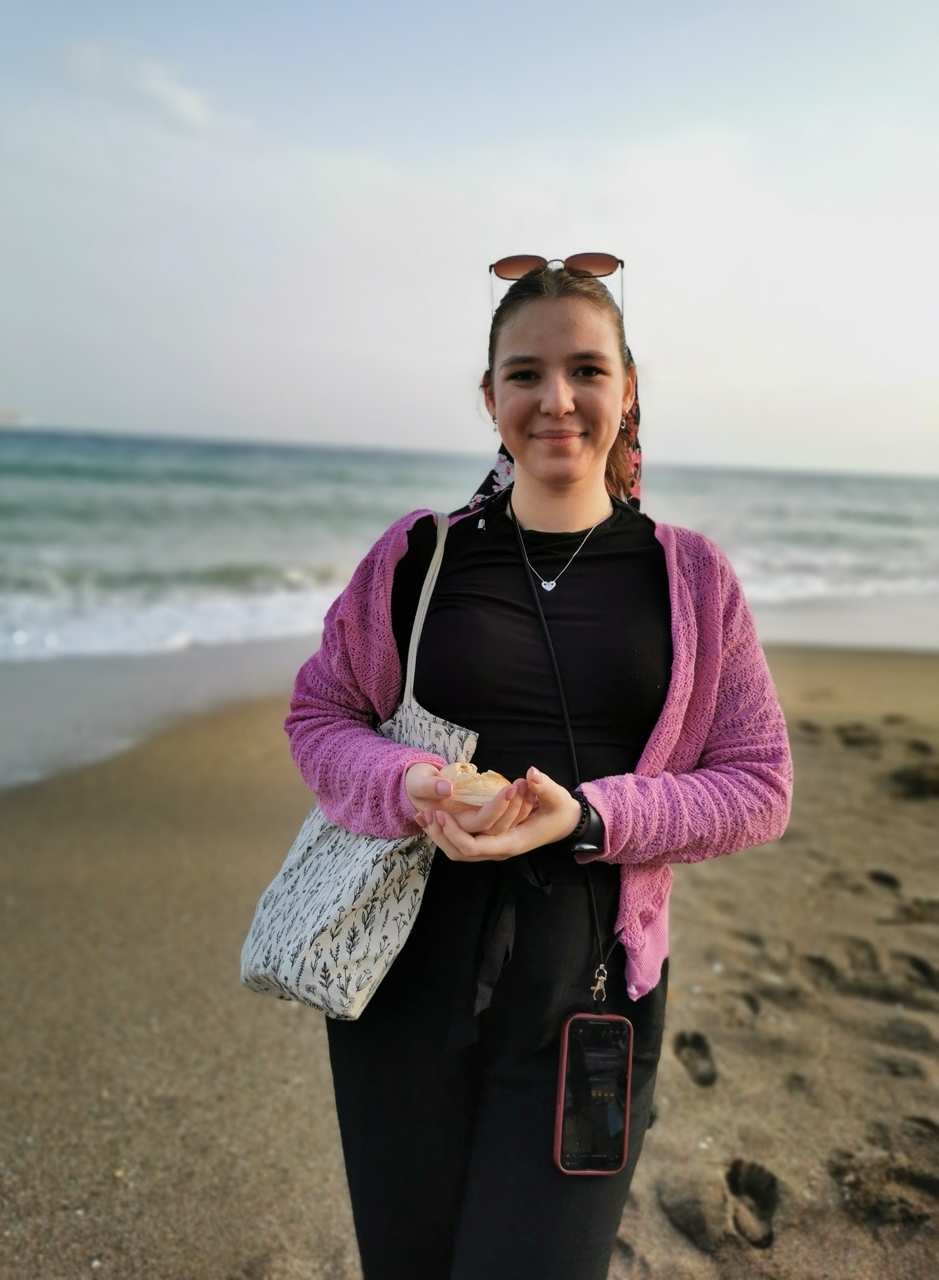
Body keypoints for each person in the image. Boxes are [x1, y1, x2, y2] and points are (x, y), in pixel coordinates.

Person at [285, 256, 793, 1280]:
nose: (556, 399)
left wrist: (591, 818)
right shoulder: (420, 557)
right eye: (525, 374)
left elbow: (758, 784)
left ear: (627, 388)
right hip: (401, 981)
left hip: (591, 992)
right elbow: (322, 714)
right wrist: (408, 783)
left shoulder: (692, 578)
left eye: (586, 370)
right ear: (490, 397)